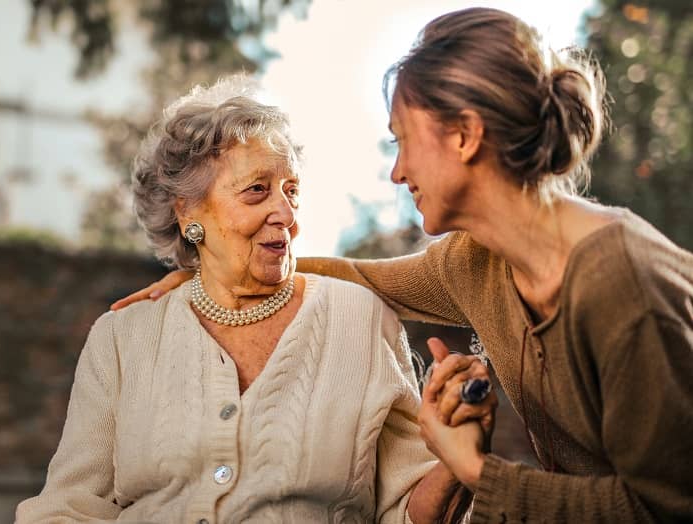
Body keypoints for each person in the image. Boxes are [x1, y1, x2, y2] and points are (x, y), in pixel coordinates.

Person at [116, 8, 693, 523]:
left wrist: (475, 472)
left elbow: (665, 506)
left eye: (403, 141)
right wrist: (216, 270)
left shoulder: (625, 285)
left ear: (465, 136)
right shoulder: (477, 262)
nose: (397, 172)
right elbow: (361, 278)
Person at [16, 76, 481, 523]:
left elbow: (409, 512)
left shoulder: (361, 320)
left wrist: (456, 461)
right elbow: (68, 508)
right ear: (188, 211)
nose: (285, 213)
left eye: (291, 191)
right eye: (257, 190)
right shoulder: (122, 337)